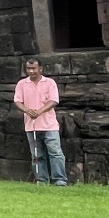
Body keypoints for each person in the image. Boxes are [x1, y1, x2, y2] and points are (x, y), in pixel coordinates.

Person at [14, 56, 69, 186]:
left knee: (55, 153)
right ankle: (42, 180)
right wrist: (27, 110)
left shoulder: (50, 83)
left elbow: (54, 101)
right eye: (28, 68)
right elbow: (17, 101)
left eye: (33, 68)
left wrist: (39, 111)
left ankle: (60, 180)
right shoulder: (22, 84)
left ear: (40, 69)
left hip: (49, 125)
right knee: (37, 155)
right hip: (31, 125)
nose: (31, 71)